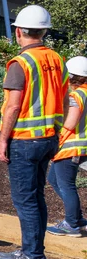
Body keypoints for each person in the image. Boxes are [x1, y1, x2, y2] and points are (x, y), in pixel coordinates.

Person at [0, 5, 69, 259]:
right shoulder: (57, 60)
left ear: (18, 32)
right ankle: (31, 250)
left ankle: (33, 257)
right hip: (48, 138)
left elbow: (13, 107)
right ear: (43, 31)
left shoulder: (21, 63)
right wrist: (57, 131)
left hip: (25, 141)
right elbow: (64, 100)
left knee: (25, 200)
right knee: (36, 198)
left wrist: (3, 140)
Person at [46, 56, 87, 237]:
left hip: (71, 147)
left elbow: (70, 124)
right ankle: (77, 218)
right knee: (54, 179)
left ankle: (71, 224)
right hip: (80, 147)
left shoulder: (75, 95)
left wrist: (54, 132)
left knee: (66, 185)